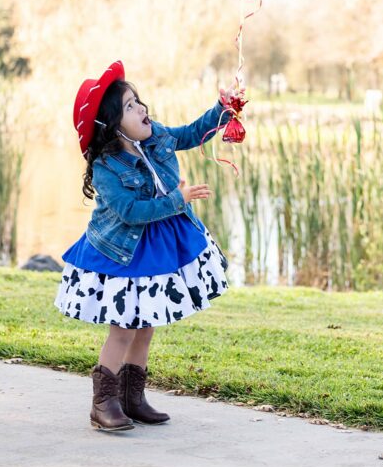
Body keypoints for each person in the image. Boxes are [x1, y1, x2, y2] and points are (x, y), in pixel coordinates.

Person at [54, 59, 242, 433]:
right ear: (111, 124)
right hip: (123, 251)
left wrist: (223, 110)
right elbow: (129, 211)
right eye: (130, 106)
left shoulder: (154, 136)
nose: (142, 108)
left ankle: (132, 398)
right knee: (123, 327)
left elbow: (191, 133)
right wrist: (178, 198)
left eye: (138, 100)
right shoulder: (107, 166)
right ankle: (102, 403)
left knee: (146, 324)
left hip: (157, 248)